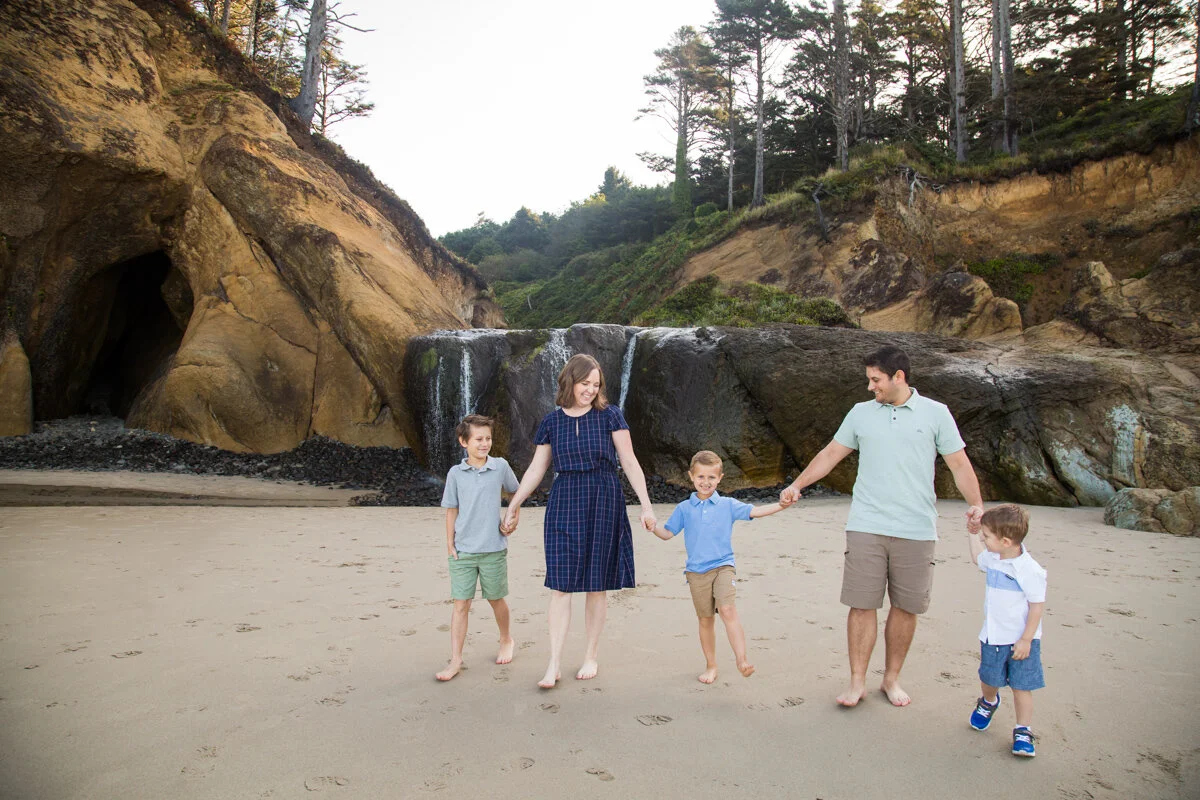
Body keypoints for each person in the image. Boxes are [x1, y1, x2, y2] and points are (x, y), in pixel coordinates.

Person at [780, 344, 985, 707]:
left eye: (876, 380)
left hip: (917, 528)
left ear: (898, 377)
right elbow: (831, 453)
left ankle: (891, 679)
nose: (870, 387)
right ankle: (857, 681)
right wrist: (797, 485)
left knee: (905, 607)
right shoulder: (860, 414)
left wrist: (976, 505)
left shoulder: (937, 413)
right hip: (866, 523)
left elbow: (957, 462)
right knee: (861, 605)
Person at [502, 353, 656, 689]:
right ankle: (554, 662)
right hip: (564, 498)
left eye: (596, 384)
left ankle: (590, 655)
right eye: (585, 383)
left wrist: (646, 506)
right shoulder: (551, 422)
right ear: (569, 381)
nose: (590, 390)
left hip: (603, 497)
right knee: (560, 585)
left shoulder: (610, 416)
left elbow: (629, 462)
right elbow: (536, 469)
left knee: (596, 586)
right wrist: (514, 504)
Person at [644, 450, 794, 684]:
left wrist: (781, 506)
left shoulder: (727, 505)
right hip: (696, 572)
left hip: (723, 566)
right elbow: (667, 533)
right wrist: (652, 526)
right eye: (701, 477)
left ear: (720, 478)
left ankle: (742, 659)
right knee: (706, 620)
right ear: (691, 477)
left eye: (711, 478)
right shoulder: (684, 508)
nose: (706, 482)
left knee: (727, 610)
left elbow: (754, 511)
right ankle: (711, 665)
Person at [436, 414, 520, 682]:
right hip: (462, 550)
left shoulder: (501, 466)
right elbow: (451, 510)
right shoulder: (455, 474)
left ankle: (506, 639)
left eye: (488, 439)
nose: (485, 444)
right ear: (464, 441)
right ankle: (456, 660)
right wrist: (449, 543)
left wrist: (512, 518)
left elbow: (516, 495)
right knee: (461, 604)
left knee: (496, 599)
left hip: (493, 548)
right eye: (479, 439)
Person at [966, 503, 1046, 757]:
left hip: (1023, 641)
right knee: (989, 678)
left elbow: (1036, 607)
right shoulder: (994, 557)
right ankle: (989, 701)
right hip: (993, 636)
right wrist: (971, 532)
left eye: (987, 536)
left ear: (1006, 540)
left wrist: (1025, 639)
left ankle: (1023, 729)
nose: (983, 539)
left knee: (1022, 686)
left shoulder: (1030, 570)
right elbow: (977, 557)